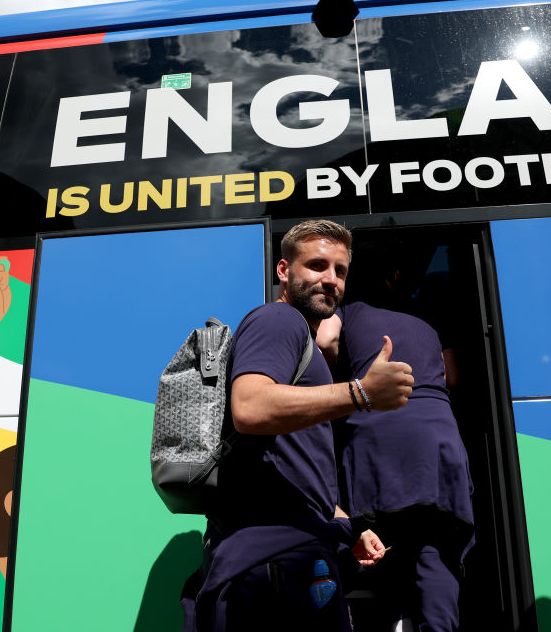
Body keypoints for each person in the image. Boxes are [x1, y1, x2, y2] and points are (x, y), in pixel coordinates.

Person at [190, 220, 414, 632]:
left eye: (340, 270)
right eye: (316, 265)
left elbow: (291, 465)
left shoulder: (305, 349)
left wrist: (347, 525)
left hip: (292, 553)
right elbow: (250, 407)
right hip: (272, 563)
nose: (330, 279)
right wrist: (361, 393)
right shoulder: (279, 321)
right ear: (283, 271)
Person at [318, 300, 474, 632]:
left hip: (379, 432)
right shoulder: (428, 316)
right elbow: (453, 375)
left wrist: (336, 386)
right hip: (436, 436)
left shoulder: (349, 311)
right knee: (434, 546)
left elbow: (325, 340)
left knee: (371, 541)